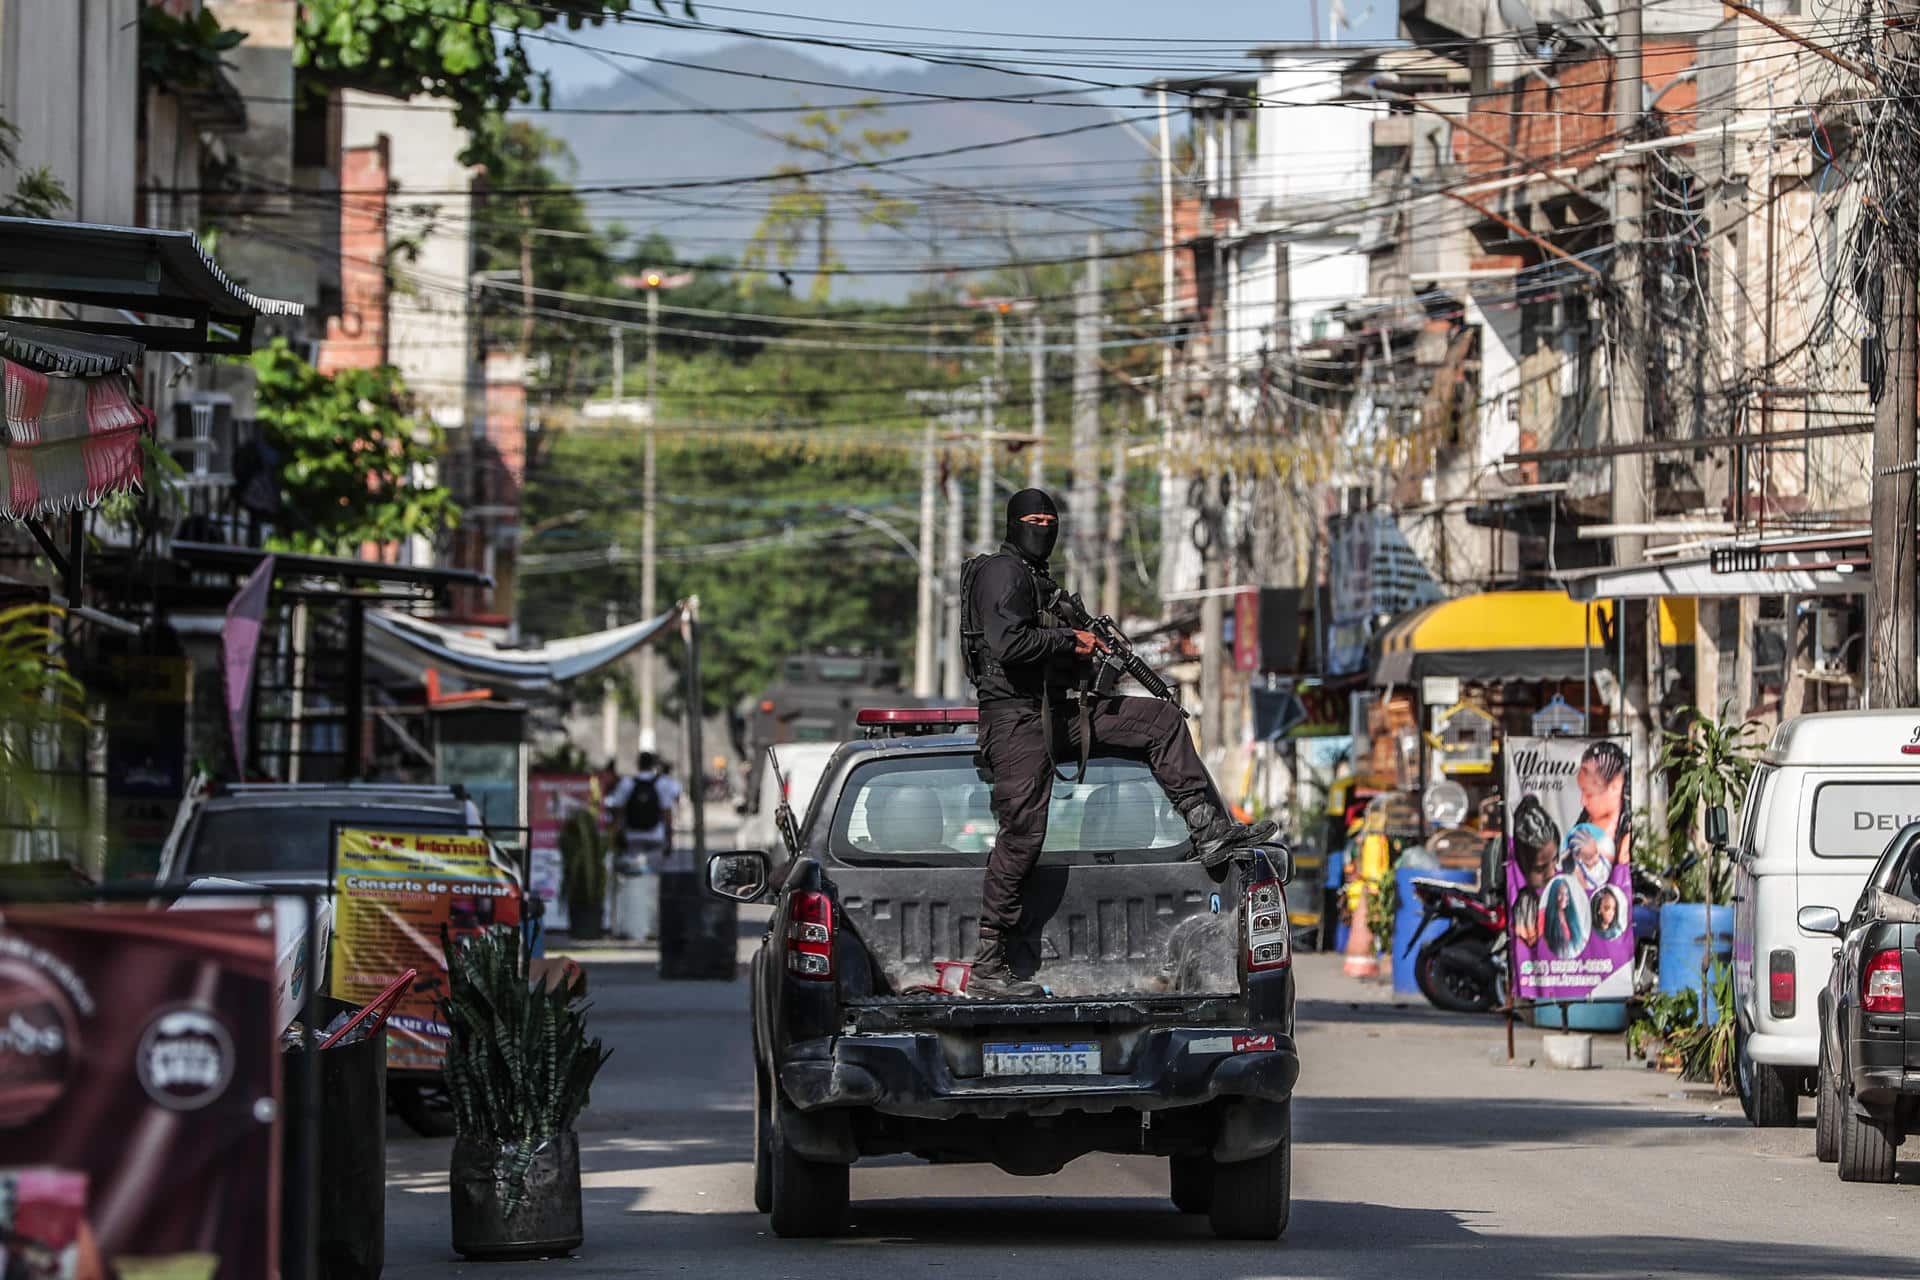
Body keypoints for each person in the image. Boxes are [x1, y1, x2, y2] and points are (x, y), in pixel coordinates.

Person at [961, 488, 1277, 997]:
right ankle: (988, 965)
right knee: (1023, 834)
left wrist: (1087, 650)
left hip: (1050, 714)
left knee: (1160, 720)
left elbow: (1044, 649)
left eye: (1050, 519)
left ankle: (1208, 829)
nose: (1044, 527)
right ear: (1013, 523)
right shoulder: (1004, 572)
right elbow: (1007, 644)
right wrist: (1072, 640)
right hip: (1015, 722)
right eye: (1033, 519)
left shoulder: (1035, 578)